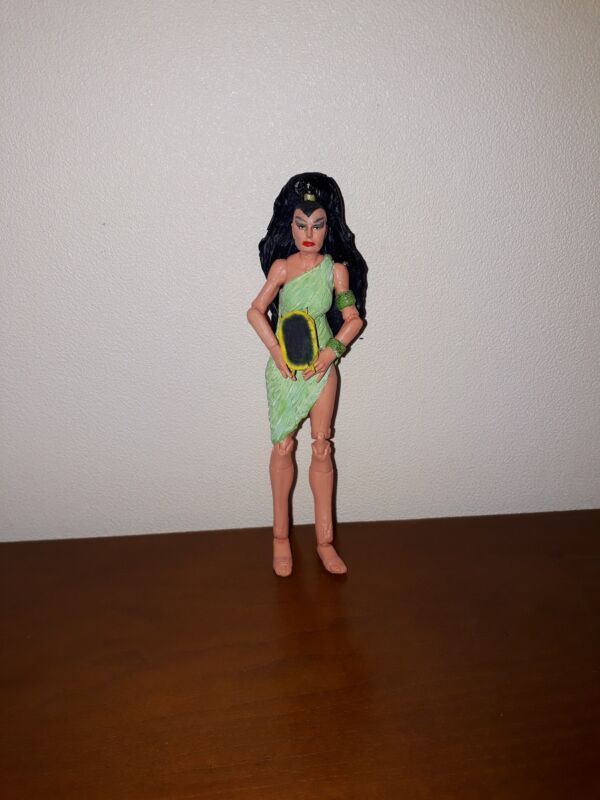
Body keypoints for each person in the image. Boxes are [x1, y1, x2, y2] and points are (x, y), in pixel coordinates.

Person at [247, 173, 367, 577]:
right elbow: (255, 311)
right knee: (283, 446)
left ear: (329, 227)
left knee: (321, 446)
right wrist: (276, 351)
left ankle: (324, 541)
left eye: (318, 225)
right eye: (301, 225)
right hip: (286, 367)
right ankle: (280, 537)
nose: (309, 234)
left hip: (321, 368)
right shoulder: (282, 268)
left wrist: (332, 351)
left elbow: (352, 319)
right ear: (291, 226)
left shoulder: (336, 272)